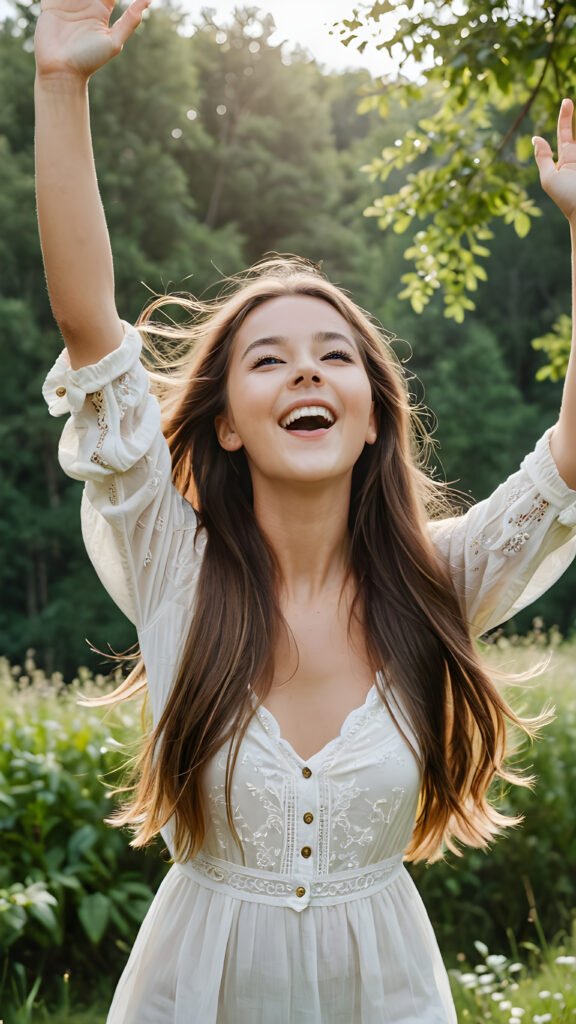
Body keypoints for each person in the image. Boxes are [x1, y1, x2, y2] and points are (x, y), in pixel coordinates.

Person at [35, 1, 576, 1021]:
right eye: (269, 359)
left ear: (373, 414)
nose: (306, 372)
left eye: (334, 356)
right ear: (228, 421)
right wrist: (61, 87)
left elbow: (571, 463)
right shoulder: (174, 567)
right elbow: (89, 332)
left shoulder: (438, 582)